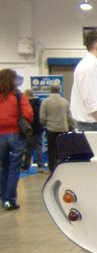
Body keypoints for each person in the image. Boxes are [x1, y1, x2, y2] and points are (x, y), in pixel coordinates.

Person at [0, 68, 34, 210]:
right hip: (16, 134)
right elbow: (28, 114)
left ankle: (3, 197)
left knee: (3, 167)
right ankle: (9, 200)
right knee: (14, 168)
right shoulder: (19, 96)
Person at [70, 30, 97, 131]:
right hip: (93, 126)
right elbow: (90, 101)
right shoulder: (88, 67)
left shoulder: (92, 66)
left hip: (95, 124)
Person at [40, 83, 74, 172]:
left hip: (51, 129)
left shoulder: (45, 102)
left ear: (50, 90)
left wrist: (45, 124)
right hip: (63, 129)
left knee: (51, 149)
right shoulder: (64, 101)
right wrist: (71, 126)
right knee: (62, 149)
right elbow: (69, 116)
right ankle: (62, 166)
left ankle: (52, 167)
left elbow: (42, 117)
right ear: (59, 90)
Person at [21, 89, 45, 173]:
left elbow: (26, 116)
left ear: (27, 95)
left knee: (28, 149)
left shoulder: (27, 105)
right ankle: (40, 166)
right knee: (39, 148)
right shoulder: (40, 104)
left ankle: (25, 167)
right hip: (39, 128)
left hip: (29, 128)